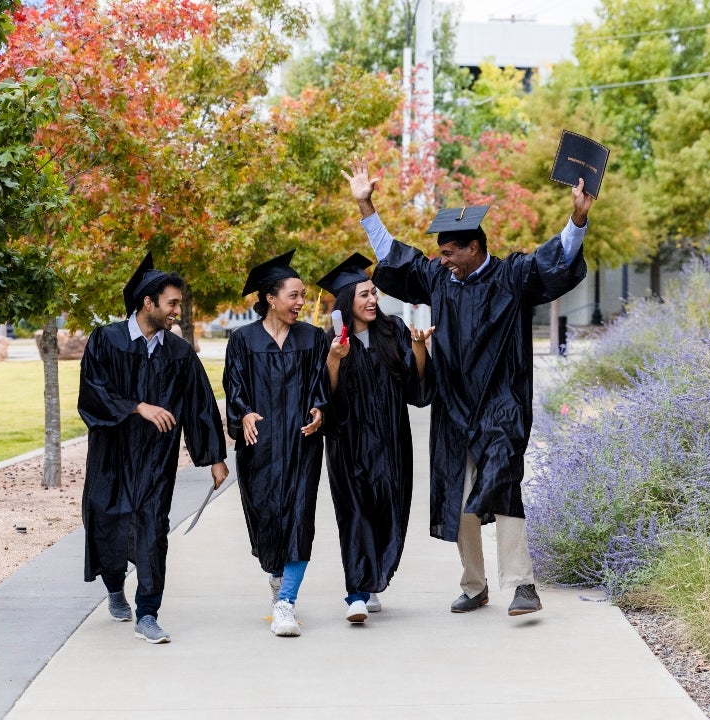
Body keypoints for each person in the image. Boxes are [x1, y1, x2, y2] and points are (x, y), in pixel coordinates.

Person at [342, 159, 593, 616]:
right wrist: (366, 206)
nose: (442, 260)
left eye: (449, 252)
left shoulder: (513, 277)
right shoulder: (440, 279)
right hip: (454, 405)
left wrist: (577, 217)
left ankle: (522, 584)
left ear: (474, 247)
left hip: (502, 403)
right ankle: (475, 585)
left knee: (505, 485)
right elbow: (397, 257)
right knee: (458, 499)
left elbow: (555, 256)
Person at [78, 252, 229, 644]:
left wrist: (215, 458)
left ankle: (147, 613)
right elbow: (93, 392)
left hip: (156, 459)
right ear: (148, 302)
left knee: (152, 530)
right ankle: (114, 587)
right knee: (107, 523)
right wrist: (137, 407)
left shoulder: (178, 353)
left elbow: (199, 404)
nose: (178, 311)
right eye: (172, 303)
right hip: (111, 454)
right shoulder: (106, 340)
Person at [318, 253, 432, 624]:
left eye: (373, 293)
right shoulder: (329, 341)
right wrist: (335, 359)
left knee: (388, 511)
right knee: (355, 514)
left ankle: (371, 581)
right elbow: (325, 395)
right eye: (364, 294)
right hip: (348, 442)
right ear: (346, 301)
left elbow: (415, 387)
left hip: (391, 440)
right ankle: (356, 592)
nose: (372, 300)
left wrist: (419, 347)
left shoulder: (393, 330)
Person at [223, 250, 329, 637]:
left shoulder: (313, 338)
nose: (300, 302)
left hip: (301, 445)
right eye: (293, 295)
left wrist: (319, 409)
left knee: (299, 520)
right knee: (266, 521)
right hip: (260, 448)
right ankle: (277, 576)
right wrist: (244, 414)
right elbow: (234, 387)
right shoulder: (243, 340)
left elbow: (322, 384)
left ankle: (286, 602)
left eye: (303, 296)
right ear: (271, 298)